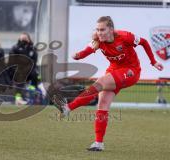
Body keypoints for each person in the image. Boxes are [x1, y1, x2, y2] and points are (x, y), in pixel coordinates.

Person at [53, 16, 163, 151]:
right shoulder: (97, 39)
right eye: (98, 29)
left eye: (102, 29)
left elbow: (145, 42)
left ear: (111, 29)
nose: (99, 32)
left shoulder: (125, 36)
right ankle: (98, 143)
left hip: (131, 71)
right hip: (114, 70)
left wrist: (153, 62)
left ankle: (68, 107)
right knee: (103, 103)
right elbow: (88, 50)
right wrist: (78, 55)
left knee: (99, 83)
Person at [9, 32, 39, 105]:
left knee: (36, 75)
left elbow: (34, 61)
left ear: (29, 39)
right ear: (19, 39)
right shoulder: (15, 48)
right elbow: (12, 61)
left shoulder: (32, 48)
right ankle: (18, 99)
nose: (23, 40)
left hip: (30, 70)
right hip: (18, 70)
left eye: (25, 38)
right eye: (22, 38)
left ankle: (31, 94)